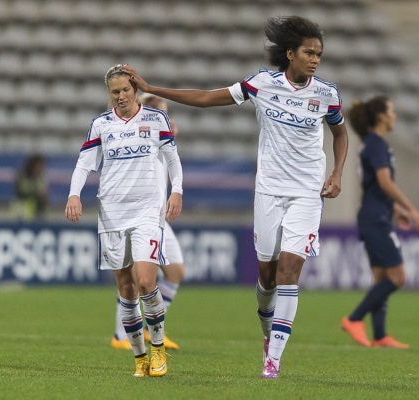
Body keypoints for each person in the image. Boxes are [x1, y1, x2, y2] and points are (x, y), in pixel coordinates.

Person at [121, 15, 349, 379]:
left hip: (307, 193)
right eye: (309, 52)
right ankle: (267, 335)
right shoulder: (261, 84)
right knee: (267, 277)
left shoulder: (327, 94)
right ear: (290, 53)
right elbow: (206, 98)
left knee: (290, 270)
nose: (315, 59)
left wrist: (336, 174)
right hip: (269, 192)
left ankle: (272, 362)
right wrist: (153, 88)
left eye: (319, 54)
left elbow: (340, 133)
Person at [65, 64, 183, 378]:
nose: (120, 96)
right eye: (115, 91)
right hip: (111, 214)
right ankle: (139, 358)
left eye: (125, 90)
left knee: (146, 281)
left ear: (135, 90)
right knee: (127, 290)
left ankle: (157, 350)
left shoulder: (155, 119)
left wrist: (177, 192)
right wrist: (74, 195)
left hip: (147, 212)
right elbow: (83, 165)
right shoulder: (101, 125)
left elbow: (172, 159)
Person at [341, 95, 419, 349]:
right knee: (397, 278)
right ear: (381, 116)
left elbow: (375, 186)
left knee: (381, 279)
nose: (395, 116)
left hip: (373, 215)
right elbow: (385, 181)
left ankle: (379, 335)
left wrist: (394, 209)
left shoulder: (371, 143)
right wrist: (410, 208)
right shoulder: (376, 144)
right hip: (376, 219)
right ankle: (354, 319)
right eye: (392, 111)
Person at [111, 93, 185, 351]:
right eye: (158, 110)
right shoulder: (135, 133)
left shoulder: (164, 135)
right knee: (132, 276)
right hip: (136, 215)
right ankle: (121, 335)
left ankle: (151, 326)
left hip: (158, 216)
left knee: (175, 272)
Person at [11, 154, 48, 220]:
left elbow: (44, 196)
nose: (41, 168)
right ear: (33, 165)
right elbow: (20, 192)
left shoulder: (41, 178)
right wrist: (36, 193)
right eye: (39, 166)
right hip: (20, 212)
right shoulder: (22, 176)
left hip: (36, 213)